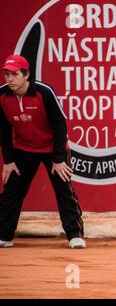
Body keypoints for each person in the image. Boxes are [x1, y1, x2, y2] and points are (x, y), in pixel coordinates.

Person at [0, 55, 86, 249]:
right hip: (23, 149)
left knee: (64, 190)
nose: (10, 79)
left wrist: (58, 159)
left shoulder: (44, 92)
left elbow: (59, 125)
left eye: (14, 74)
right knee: (12, 192)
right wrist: (8, 160)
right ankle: (4, 236)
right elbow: (4, 130)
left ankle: (75, 235)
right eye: (7, 75)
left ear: (26, 75)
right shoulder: (2, 96)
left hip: (52, 148)